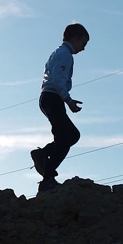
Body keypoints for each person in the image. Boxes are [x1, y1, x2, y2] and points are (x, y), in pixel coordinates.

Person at [31, 23, 90, 193]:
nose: (83, 49)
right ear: (76, 38)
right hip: (53, 98)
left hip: (49, 98)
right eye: (83, 43)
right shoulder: (65, 55)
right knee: (68, 136)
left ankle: (44, 159)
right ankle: (47, 178)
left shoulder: (58, 53)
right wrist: (68, 100)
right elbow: (58, 79)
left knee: (67, 136)